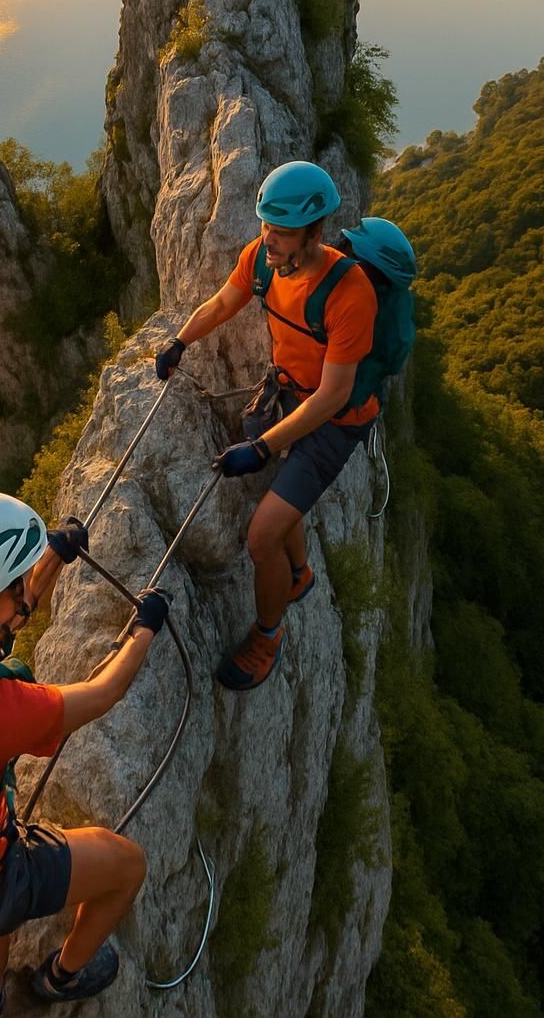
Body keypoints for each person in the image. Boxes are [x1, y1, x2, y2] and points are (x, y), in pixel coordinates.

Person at [0, 489, 171, 1013]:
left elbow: (4, 622)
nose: (25, 587)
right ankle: (62, 978)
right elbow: (101, 694)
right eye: (18, 580)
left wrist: (54, 558)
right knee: (126, 865)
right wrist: (144, 630)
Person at [155, 161, 378, 692]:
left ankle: (267, 634)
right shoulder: (261, 259)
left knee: (261, 536)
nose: (268, 239)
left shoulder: (351, 293)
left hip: (333, 422)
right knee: (276, 501)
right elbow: (224, 302)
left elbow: (334, 395)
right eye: (265, 226)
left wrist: (262, 446)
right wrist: (180, 342)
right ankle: (298, 574)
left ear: (315, 232)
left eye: (281, 231)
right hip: (288, 393)